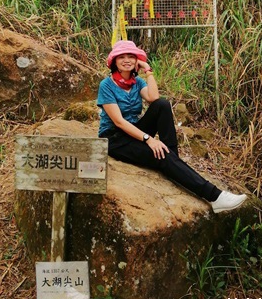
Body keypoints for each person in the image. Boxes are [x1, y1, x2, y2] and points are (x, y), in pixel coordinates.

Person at [97, 40, 247, 213]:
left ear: (136, 60)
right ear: (114, 61)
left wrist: (148, 71)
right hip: (116, 139)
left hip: (134, 130)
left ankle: (172, 161)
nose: (127, 60)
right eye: (121, 57)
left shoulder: (136, 82)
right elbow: (119, 122)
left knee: (162, 105)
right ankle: (215, 197)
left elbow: (154, 98)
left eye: (131, 56)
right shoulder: (106, 85)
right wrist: (149, 139)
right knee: (161, 155)